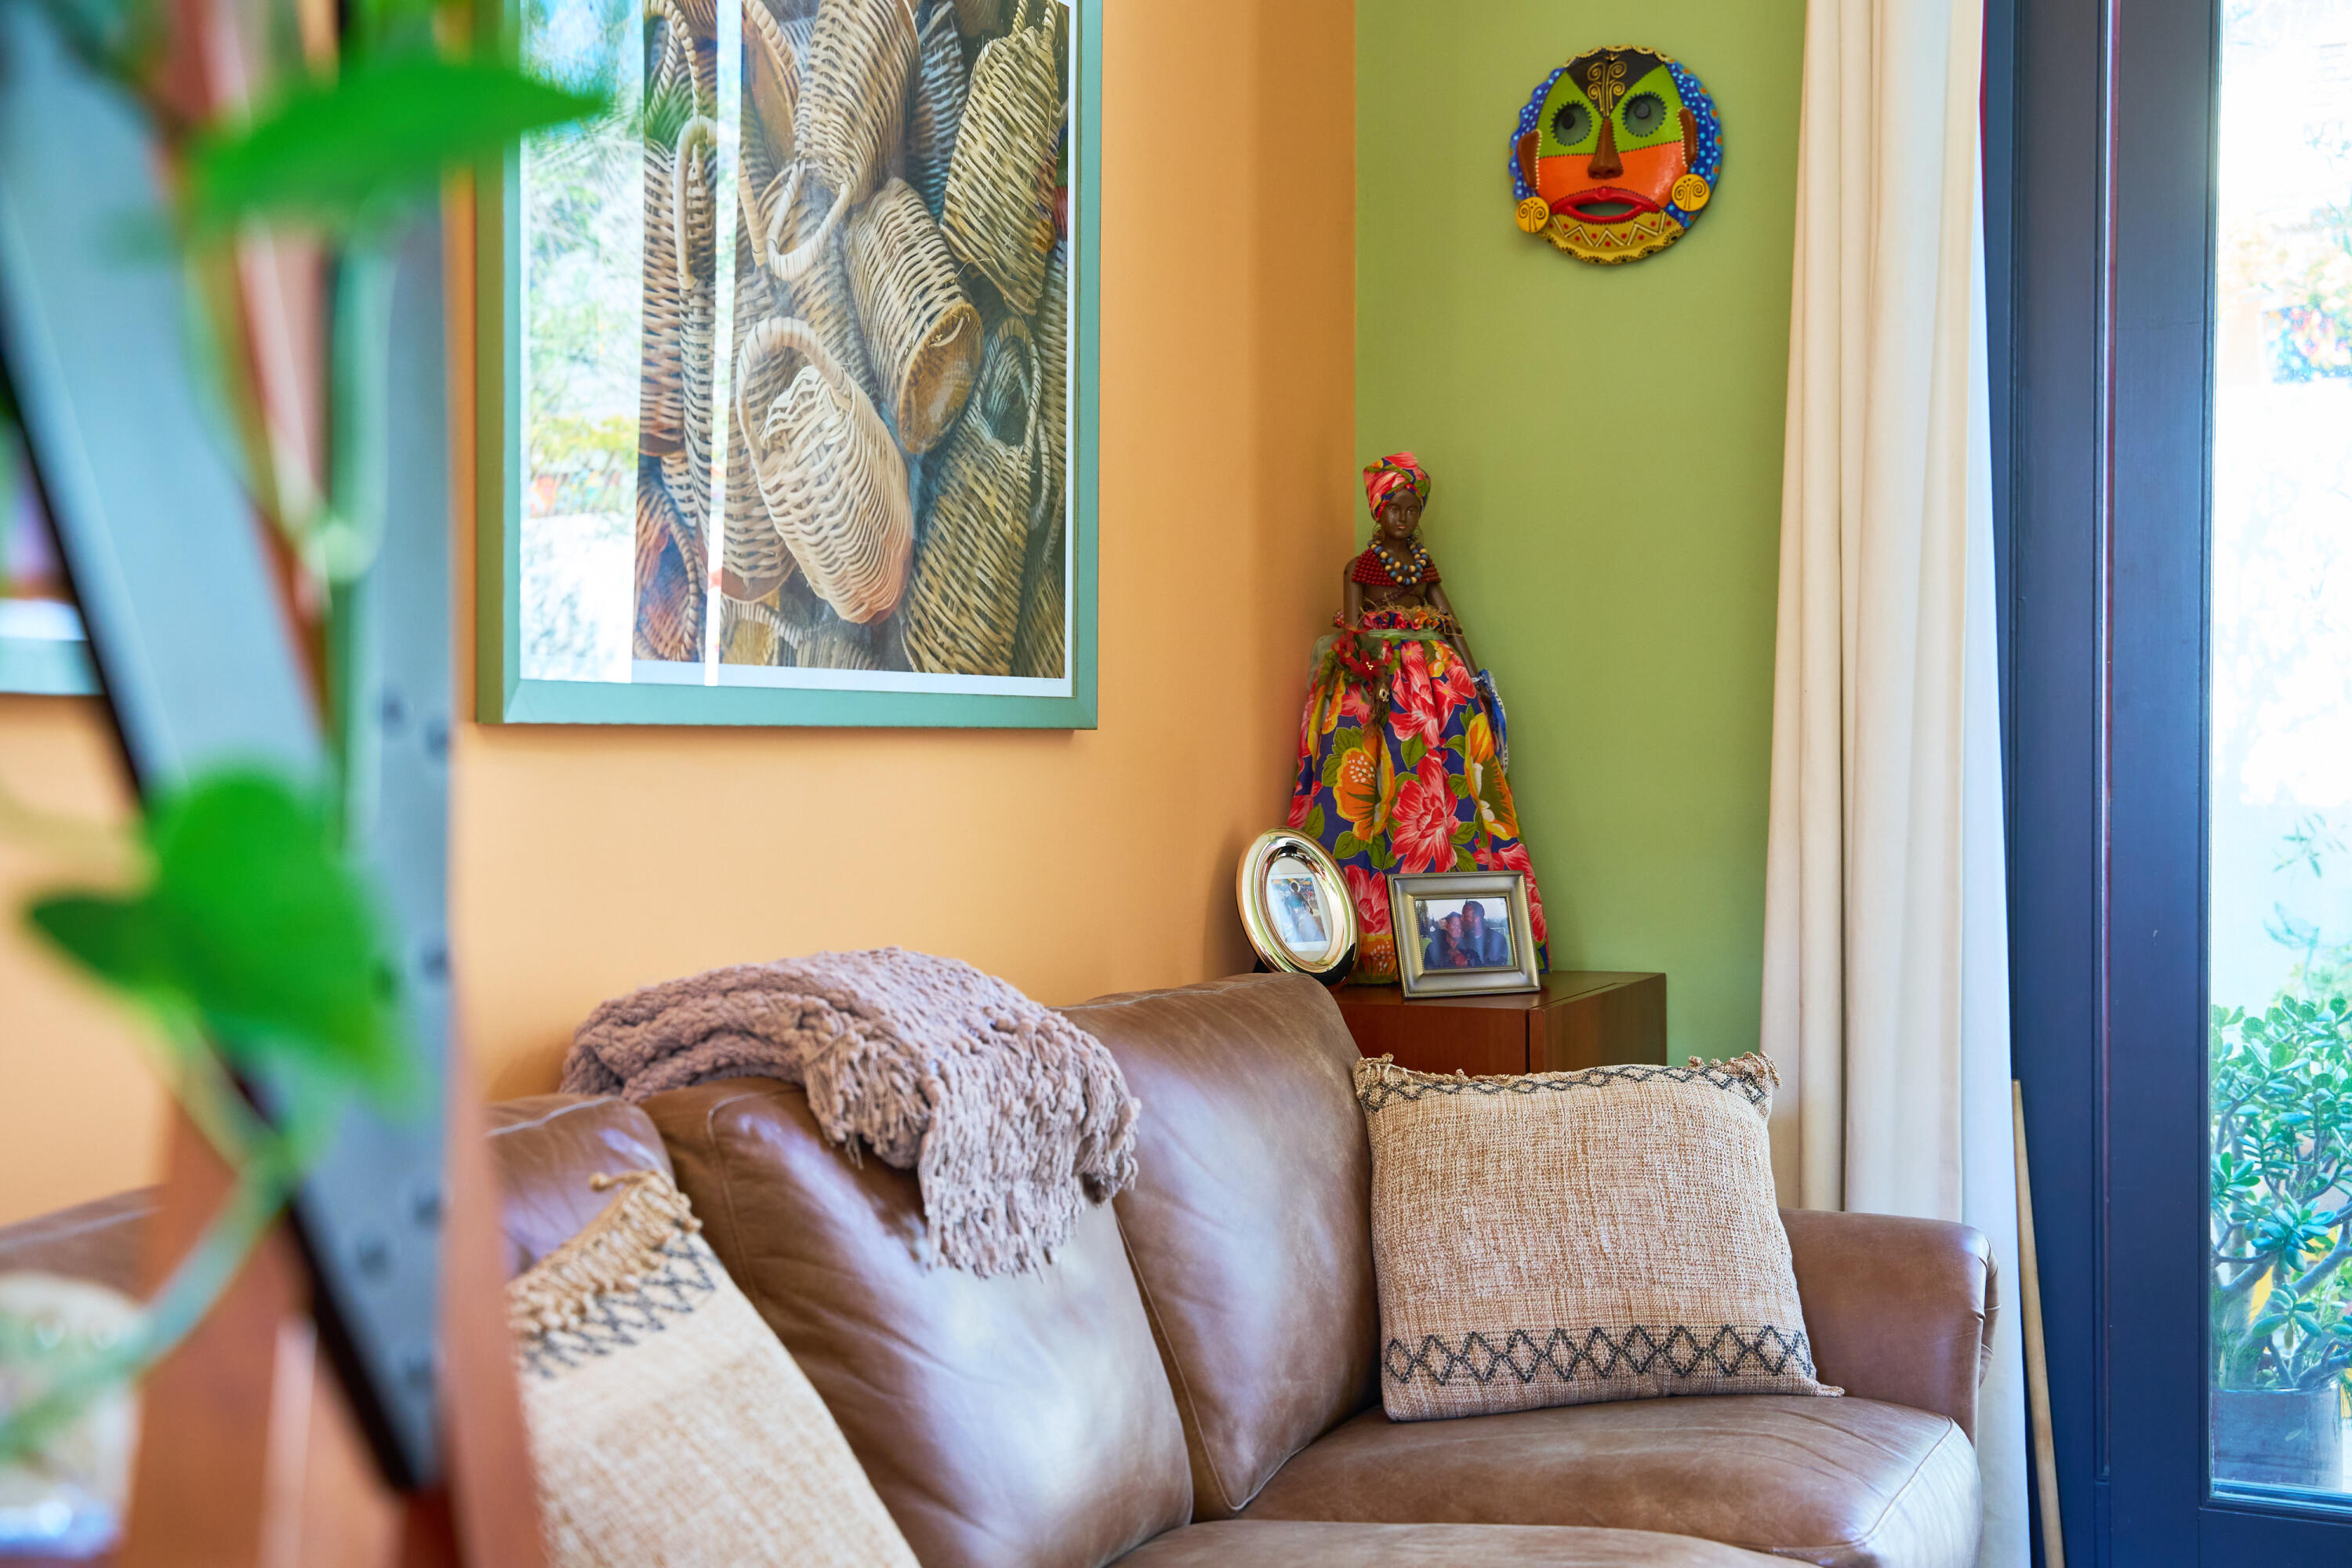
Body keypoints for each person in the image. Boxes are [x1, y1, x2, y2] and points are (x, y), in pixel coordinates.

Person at [1285, 451, 1548, 984]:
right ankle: (1364, 942)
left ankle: (1472, 945)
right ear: (1378, 512)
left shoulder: (1423, 566)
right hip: (1373, 682)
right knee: (1363, 794)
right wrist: (1374, 677)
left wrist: (1474, 680)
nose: (1402, 519)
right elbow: (1355, 633)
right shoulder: (1360, 567)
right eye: (1393, 510)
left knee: (1456, 785)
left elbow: (1452, 625)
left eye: (1411, 510)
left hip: (1437, 685)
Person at [1459, 900, 1511, 969]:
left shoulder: (1496, 939)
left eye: (1465, 916)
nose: (1461, 919)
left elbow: (1496, 968)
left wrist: (1467, 963)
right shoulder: (1463, 939)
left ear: (1477, 919)